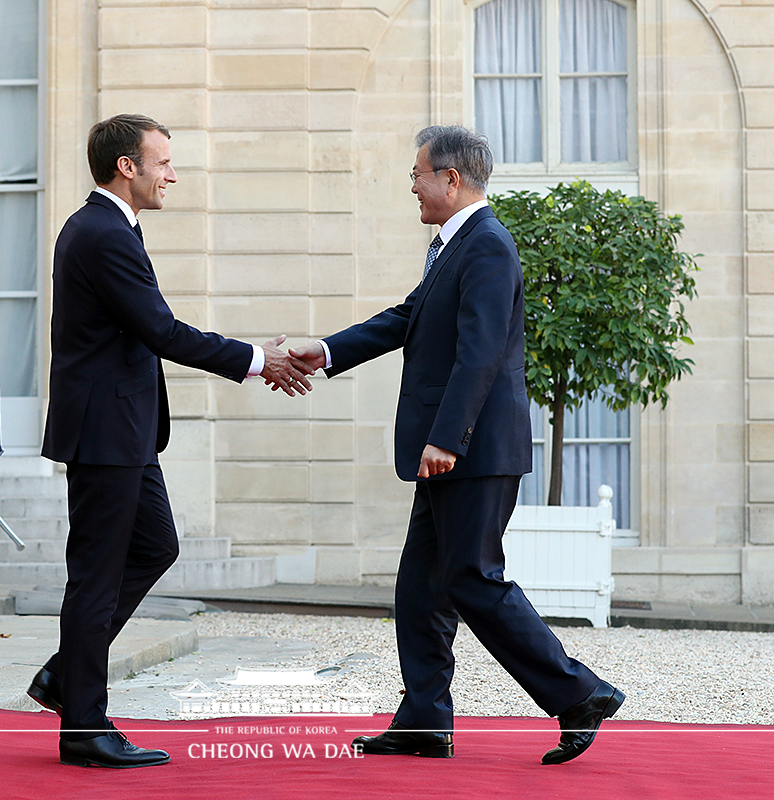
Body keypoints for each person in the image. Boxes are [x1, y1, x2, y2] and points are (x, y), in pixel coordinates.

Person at [289, 125, 624, 766]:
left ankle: (579, 693)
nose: (411, 183)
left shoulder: (487, 246)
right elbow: (404, 319)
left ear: (452, 178)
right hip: (455, 449)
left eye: (418, 173)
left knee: (472, 579)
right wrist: (325, 350)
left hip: (472, 449)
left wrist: (448, 438)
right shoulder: (454, 246)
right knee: (420, 588)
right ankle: (423, 722)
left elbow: (481, 353)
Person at [26, 113, 313, 769]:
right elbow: (161, 329)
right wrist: (253, 358)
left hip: (122, 428)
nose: (172, 175)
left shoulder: (105, 228)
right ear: (126, 166)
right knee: (95, 578)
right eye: (162, 162)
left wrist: (251, 355)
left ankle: (66, 678)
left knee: (156, 544)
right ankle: (85, 729)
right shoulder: (101, 233)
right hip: (105, 432)